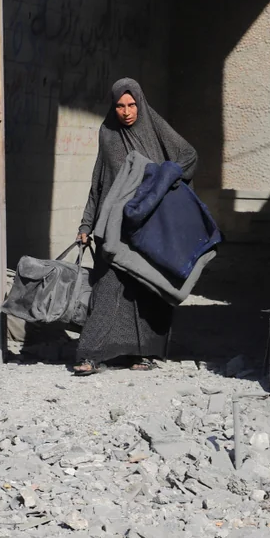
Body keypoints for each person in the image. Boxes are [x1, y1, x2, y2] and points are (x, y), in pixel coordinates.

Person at [73, 78, 197, 375]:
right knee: (107, 287)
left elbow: (188, 155)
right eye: (120, 106)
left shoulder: (154, 126)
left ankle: (142, 354)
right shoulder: (107, 132)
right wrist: (86, 223)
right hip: (112, 224)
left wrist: (164, 179)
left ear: (139, 103)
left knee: (146, 289)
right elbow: (98, 181)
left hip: (147, 223)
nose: (126, 112)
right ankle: (90, 354)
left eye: (131, 105)